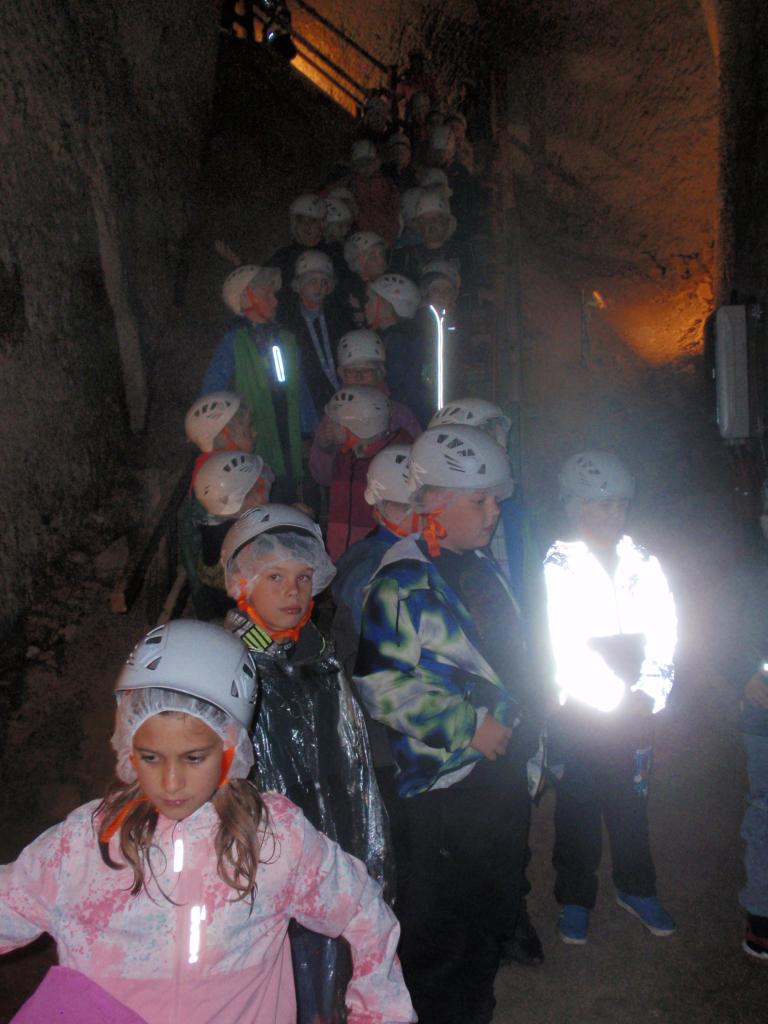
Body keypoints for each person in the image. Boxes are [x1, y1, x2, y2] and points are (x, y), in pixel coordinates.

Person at [0, 619, 416, 1024]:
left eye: (194, 757)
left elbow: (363, 912)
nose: (171, 782)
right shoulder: (82, 846)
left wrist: (379, 1011)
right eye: (150, 757)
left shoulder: (274, 841)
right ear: (128, 746)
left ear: (231, 747)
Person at [354, 425, 543, 1024]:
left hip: (501, 769)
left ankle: (476, 999)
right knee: (442, 922)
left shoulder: (480, 565)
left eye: (495, 499)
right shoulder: (401, 581)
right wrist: (466, 726)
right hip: (446, 786)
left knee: (490, 899)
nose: (494, 511)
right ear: (433, 503)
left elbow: (512, 652)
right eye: (479, 500)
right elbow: (380, 684)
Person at [220, 505, 395, 1021]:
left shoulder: (318, 651)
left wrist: (364, 845)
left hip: (331, 835)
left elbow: (351, 755)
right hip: (268, 851)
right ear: (242, 582)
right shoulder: (229, 663)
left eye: (302, 577)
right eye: (274, 577)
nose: (293, 592)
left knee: (330, 969)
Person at [544, 450, 678, 944]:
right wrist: (611, 698)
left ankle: (636, 887)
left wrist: (650, 690)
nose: (615, 513)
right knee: (577, 805)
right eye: (604, 504)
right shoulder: (557, 564)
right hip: (582, 711)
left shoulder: (643, 561)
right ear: (575, 505)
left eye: (621, 504)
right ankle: (575, 896)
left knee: (631, 803)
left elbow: (665, 628)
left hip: (636, 707)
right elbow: (559, 640)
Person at [201, 265, 307, 502]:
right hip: (255, 440)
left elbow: (300, 388)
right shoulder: (233, 344)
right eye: (268, 295)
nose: (275, 301)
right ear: (246, 298)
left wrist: (308, 429)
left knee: (288, 491)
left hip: (288, 437)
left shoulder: (286, 339)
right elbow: (211, 394)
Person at [309, 386, 414, 561]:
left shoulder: (392, 460)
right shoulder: (344, 454)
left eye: (335, 423)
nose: (328, 427)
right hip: (341, 552)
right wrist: (326, 446)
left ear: (356, 427)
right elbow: (321, 474)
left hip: (378, 553)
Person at [364, 272, 432, 426]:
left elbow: (392, 385)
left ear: (387, 306)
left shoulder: (397, 342)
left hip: (405, 419)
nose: (366, 306)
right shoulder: (401, 337)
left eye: (371, 300)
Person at [740, 662, 768, 960]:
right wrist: (743, 674)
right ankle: (761, 916)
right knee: (765, 816)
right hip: (764, 718)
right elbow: (721, 642)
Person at [184, 390, 255, 486]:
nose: (255, 434)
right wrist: (247, 455)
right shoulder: (213, 477)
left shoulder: (211, 465)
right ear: (228, 431)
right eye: (249, 428)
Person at [349, 140, 401, 248]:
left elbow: (395, 205)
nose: (365, 167)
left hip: (387, 232)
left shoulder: (386, 182)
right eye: (360, 164)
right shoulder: (353, 185)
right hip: (364, 235)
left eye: (369, 162)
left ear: (376, 161)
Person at [341, 230, 389, 328]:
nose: (381, 260)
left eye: (382, 254)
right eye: (373, 256)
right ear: (359, 262)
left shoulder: (389, 282)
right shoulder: (350, 290)